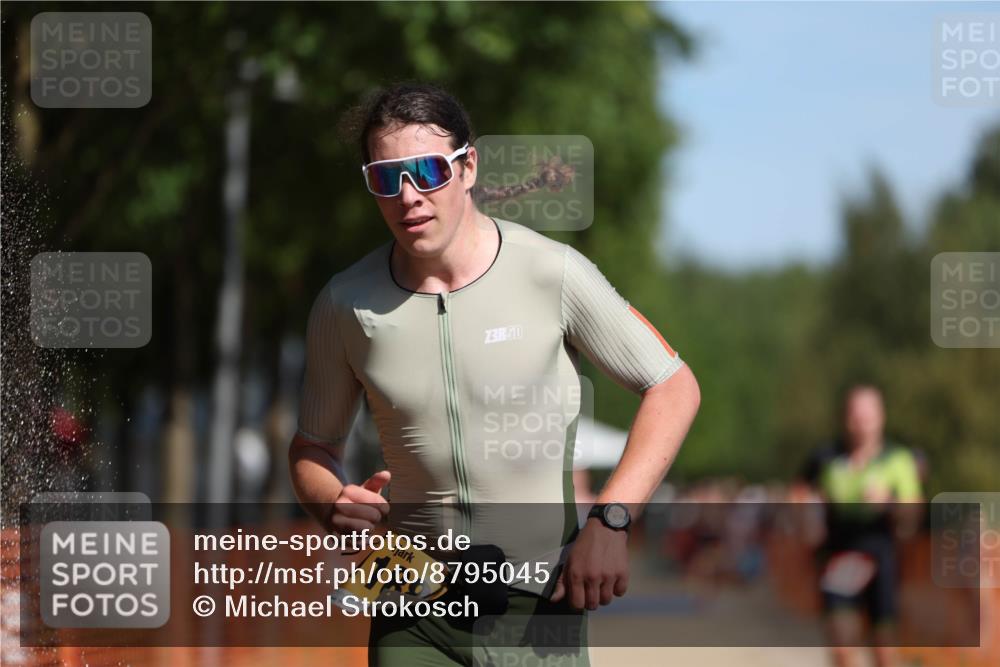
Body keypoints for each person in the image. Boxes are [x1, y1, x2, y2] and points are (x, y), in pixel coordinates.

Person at [287, 81, 701, 667]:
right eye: (385, 178)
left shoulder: (552, 273)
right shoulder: (344, 304)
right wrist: (332, 503)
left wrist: (611, 521)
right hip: (409, 597)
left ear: (468, 167)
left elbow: (673, 386)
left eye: (427, 171)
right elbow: (311, 448)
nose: (408, 196)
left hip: (539, 606)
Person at [799, 384, 923, 667]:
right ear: (846, 418)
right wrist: (807, 514)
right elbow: (800, 489)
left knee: (884, 651)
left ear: (881, 418)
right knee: (842, 644)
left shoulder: (898, 459)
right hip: (840, 556)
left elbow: (913, 513)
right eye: (855, 416)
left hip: (882, 557)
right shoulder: (826, 457)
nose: (861, 424)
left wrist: (890, 502)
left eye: (867, 417)